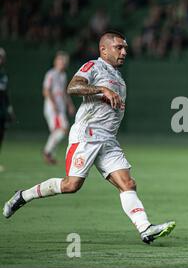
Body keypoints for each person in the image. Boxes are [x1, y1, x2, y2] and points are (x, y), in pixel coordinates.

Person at [3, 31, 176, 244]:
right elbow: (73, 87)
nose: (123, 52)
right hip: (87, 135)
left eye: (125, 48)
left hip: (108, 140)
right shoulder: (94, 66)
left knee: (128, 183)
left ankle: (145, 228)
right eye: (118, 48)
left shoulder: (119, 78)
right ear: (103, 49)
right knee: (71, 185)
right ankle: (23, 196)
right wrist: (102, 89)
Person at [42, 51, 75, 164]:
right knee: (62, 129)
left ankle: (49, 153)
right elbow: (46, 91)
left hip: (60, 107)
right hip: (53, 108)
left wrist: (69, 105)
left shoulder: (63, 75)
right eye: (61, 60)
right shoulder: (51, 74)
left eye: (64, 61)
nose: (63, 63)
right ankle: (48, 152)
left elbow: (64, 93)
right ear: (56, 62)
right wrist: (53, 104)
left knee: (59, 131)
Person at [0, 47, 16, 172]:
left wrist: (9, 109)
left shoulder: (3, 74)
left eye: (2, 57)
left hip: (2, 111)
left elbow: (5, 94)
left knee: (1, 136)